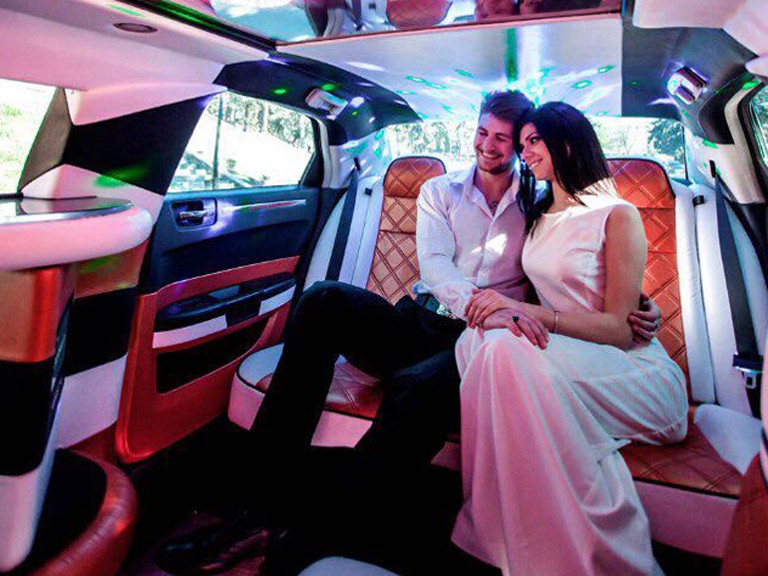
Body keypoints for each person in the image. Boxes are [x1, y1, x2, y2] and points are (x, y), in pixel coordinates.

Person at [157, 92, 661, 575]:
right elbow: (436, 268)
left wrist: (639, 305)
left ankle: (315, 537)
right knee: (323, 300)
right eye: (482, 132)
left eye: (504, 139)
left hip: (477, 344)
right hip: (423, 319)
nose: (488, 146)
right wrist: (484, 308)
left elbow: (574, 265)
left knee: (416, 390)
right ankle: (256, 511)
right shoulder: (439, 191)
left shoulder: (538, 202)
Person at [450, 102, 689, 576]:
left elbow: (619, 329)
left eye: (534, 140)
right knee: (479, 341)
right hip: (569, 355)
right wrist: (503, 310)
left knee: (501, 349)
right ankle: (511, 539)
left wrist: (524, 311)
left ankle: (567, 554)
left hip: (630, 367)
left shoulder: (617, 214)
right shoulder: (538, 214)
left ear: (567, 141)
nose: (525, 153)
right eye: (522, 145)